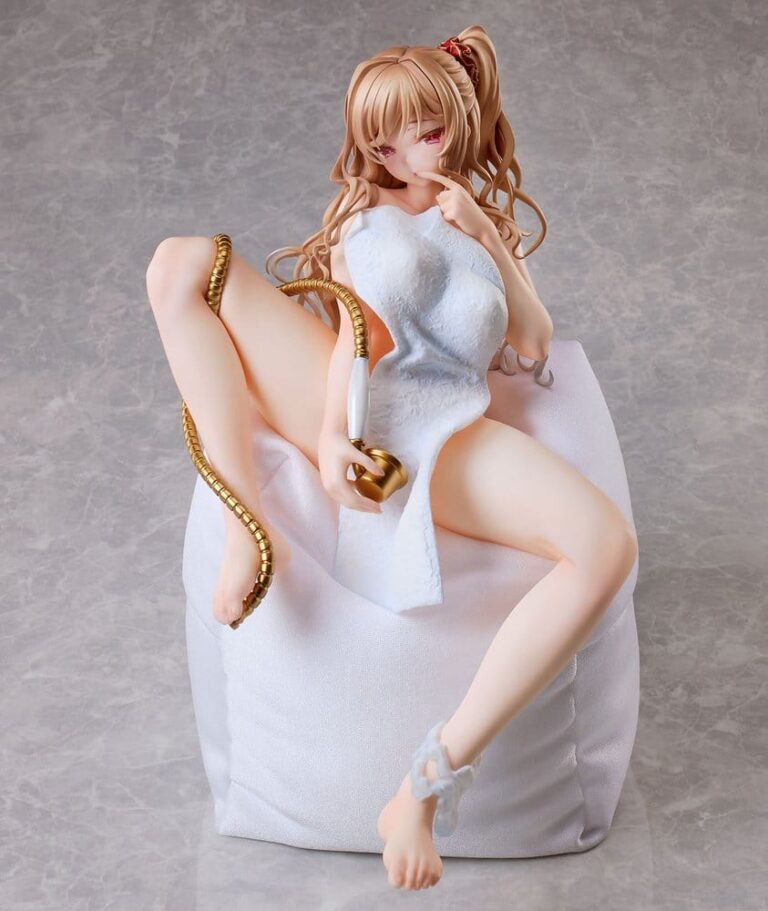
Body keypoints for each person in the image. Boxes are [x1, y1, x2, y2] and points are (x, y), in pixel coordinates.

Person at [146, 25, 638, 893]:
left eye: (420, 130)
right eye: (380, 140)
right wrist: (332, 435)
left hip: (446, 428)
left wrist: (484, 230)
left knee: (607, 545)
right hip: (358, 402)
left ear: (454, 119)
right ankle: (242, 517)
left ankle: (426, 782)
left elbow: (531, 342)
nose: (398, 151)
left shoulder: (475, 223)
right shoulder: (361, 216)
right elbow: (354, 329)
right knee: (182, 263)